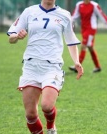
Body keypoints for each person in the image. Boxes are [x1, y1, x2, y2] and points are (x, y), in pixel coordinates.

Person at [7, 0, 83, 133]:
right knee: (30, 114)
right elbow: (11, 37)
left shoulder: (65, 15)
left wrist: (76, 61)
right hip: (31, 66)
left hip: (52, 66)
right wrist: (17, 36)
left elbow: (71, 41)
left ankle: (51, 127)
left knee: (47, 106)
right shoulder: (29, 11)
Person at [68, 0, 107, 73]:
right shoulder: (79, 5)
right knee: (90, 47)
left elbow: (102, 15)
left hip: (91, 29)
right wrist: (68, 24)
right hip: (84, 29)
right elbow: (74, 16)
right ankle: (97, 66)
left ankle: (77, 66)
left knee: (84, 46)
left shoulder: (94, 5)